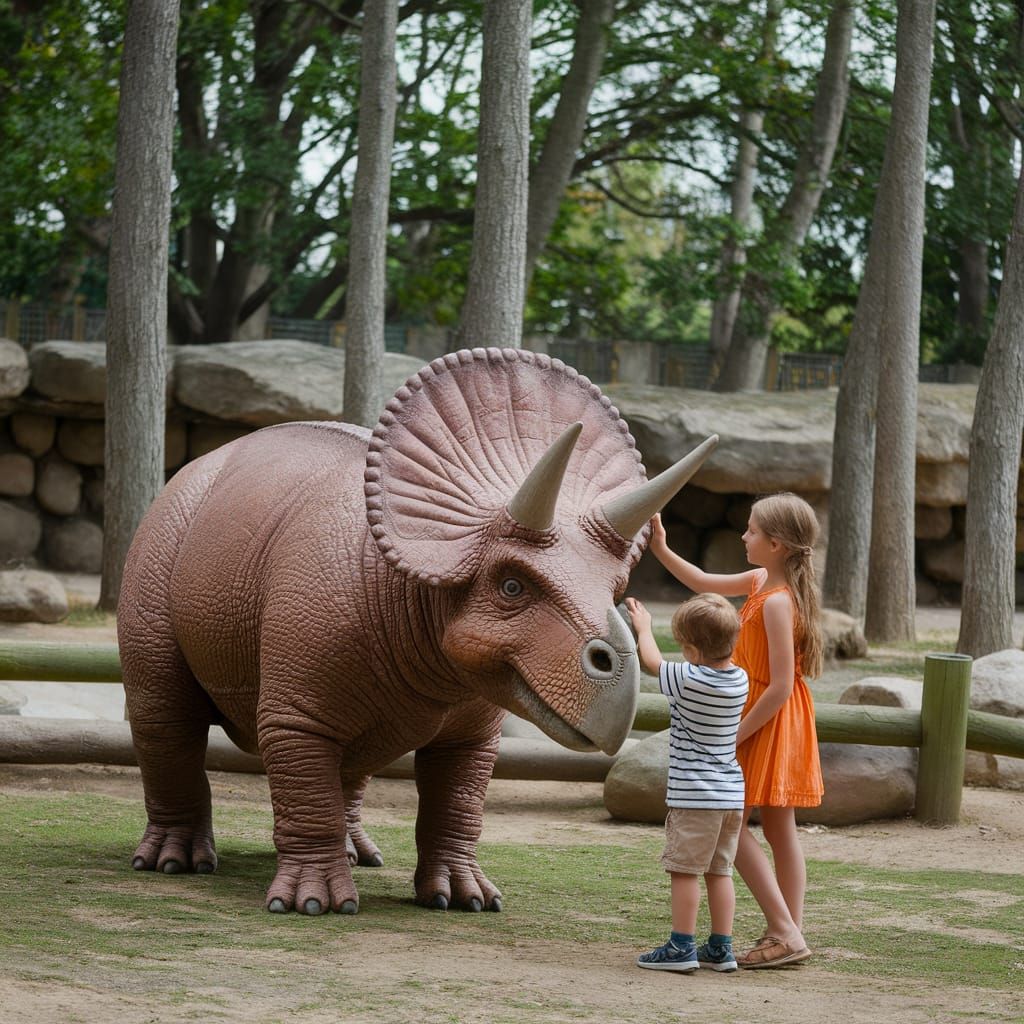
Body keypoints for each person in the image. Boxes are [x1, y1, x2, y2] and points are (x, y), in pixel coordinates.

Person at [645, 493, 823, 969]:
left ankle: (785, 930)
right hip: (766, 716)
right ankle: (787, 929)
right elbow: (703, 582)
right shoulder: (761, 580)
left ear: (777, 544)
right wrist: (661, 548)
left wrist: (736, 734)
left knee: (733, 823)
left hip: (766, 718)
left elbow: (782, 685)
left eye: (751, 531)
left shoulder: (779, 603)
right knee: (776, 829)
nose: (743, 536)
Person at [625, 592, 749, 974]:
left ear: (692, 651)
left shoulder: (688, 679)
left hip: (695, 797)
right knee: (720, 871)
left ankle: (682, 946)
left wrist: (644, 628)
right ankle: (721, 947)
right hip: (730, 796)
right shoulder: (739, 679)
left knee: (684, 870)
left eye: (684, 646)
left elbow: (651, 662)